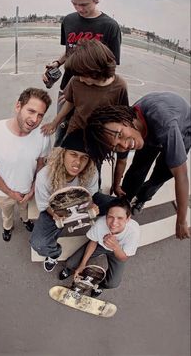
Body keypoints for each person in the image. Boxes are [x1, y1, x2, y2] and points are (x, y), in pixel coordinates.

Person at [84, 92, 191, 240]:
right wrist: (117, 186)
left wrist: (181, 221)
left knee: (160, 176)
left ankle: (142, 198)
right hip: (150, 133)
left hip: (181, 131)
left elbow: (182, 176)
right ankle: (125, 201)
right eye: (116, 147)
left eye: (120, 135)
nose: (125, 145)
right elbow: (122, 156)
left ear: (125, 119)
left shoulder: (163, 121)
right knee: (137, 170)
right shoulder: (133, 124)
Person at [42, 0, 121, 145]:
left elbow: (111, 67)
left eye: (84, 4)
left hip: (93, 94)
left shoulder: (110, 27)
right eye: (74, 4)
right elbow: (69, 50)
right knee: (62, 134)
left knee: (88, 138)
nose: (79, 9)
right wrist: (56, 63)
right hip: (66, 90)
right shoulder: (69, 20)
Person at [30, 129, 113, 272]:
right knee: (38, 243)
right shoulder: (45, 176)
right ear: (63, 154)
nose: (78, 162)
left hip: (81, 203)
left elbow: (91, 195)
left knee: (118, 206)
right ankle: (53, 254)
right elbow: (44, 205)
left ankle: (106, 233)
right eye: (73, 154)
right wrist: (56, 215)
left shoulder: (91, 171)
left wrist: (91, 207)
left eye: (84, 157)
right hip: (56, 209)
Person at [0, 87, 52, 242]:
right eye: (31, 111)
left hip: (27, 191)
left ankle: (25, 221)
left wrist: (33, 188)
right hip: (3, 193)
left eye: (40, 115)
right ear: (18, 106)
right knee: (7, 213)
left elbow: (41, 164)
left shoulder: (42, 136)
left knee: (24, 210)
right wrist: (11, 193)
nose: (34, 120)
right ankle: (7, 227)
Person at [41, 39, 128, 138]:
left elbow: (123, 115)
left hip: (100, 136)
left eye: (83, 76)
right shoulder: (76, 80)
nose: (81, 80)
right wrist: (54, 123)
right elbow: (70, 102)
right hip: (75, 131)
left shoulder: (120, 86)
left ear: (96, 70)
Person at [58, 197, 140, 298]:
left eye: (120, 218)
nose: (114, 223)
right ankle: (70, 270)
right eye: (110, 217)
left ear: (128, 219)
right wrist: (83, 264)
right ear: (106, 216)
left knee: (113, 283)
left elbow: (124, 258)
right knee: (71, 263)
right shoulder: (100, 223)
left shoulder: (133, 231)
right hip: (100, 245)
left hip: (118, 251)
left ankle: (100, 285)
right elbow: (93, 242)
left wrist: (115, 247)